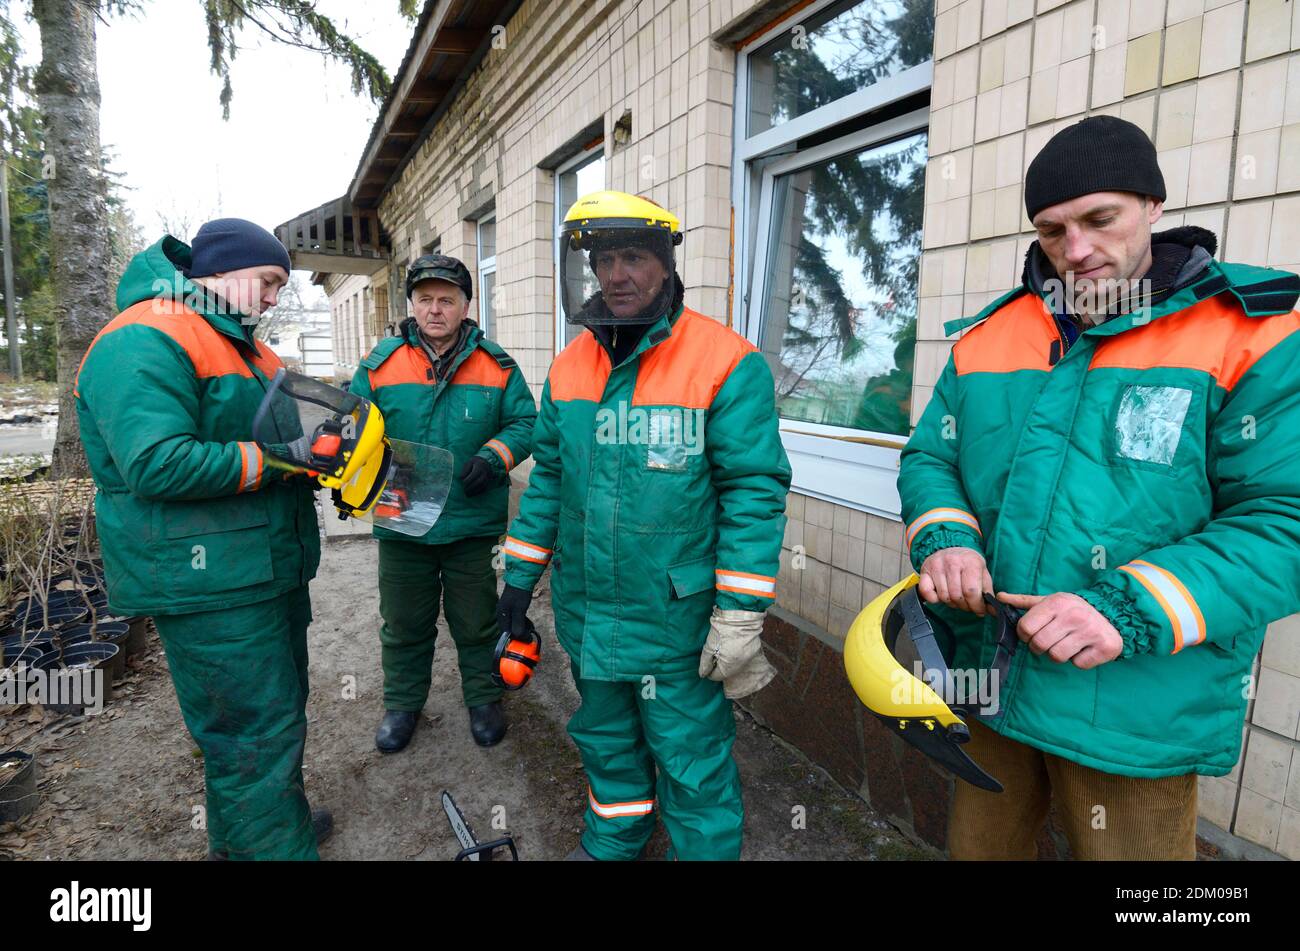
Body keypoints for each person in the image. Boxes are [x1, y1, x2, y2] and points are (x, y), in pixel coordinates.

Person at [898, 116, 1300, 859]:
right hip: (990, 682)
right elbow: (931, 459)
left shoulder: (1255, 331)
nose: (1074, 250)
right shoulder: (992, 335)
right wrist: (947, 538)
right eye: (1052, 229)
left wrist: (1128, 606)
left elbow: (1285, 520)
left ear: (1153, 206)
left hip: (1135, 709)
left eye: (1099, 218)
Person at [496, 191, 791, 860]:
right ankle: (615, 838)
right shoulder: (571, 366)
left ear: (663, 264)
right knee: (606, 743)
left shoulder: (725, 362)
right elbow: (549, 482)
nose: (616, 274)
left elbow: (753, 489)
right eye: (604, 259)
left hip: (675, 623)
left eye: (632, 256)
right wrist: (517, 583)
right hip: (589, 614)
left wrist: (741, 612)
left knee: (691, 762)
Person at [75, 218, 330, 860]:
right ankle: (273, 846)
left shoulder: (245, 347)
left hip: (257, 572)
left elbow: (280, 441)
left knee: (271, 722)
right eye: (269, 282)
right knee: (250, 735)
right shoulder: (145, 337)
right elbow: (158, 462)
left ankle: (265, 830)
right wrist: (280, 461)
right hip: (212, 584)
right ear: (220, 271)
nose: (275, 298)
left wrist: (327, 464)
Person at [350, 255, 535, 751]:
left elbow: (525, 423)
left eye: (447, 300)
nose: (436, 310)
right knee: (404, 622)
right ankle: (403, 705)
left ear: (466, 305)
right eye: (426, 299)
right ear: (412, 305)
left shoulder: (497, 366)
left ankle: (483, 696)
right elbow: (351, 431)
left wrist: (495, 459)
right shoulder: (379, 365)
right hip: (402, 517)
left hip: (471, 521)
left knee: (476, 620)